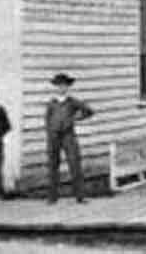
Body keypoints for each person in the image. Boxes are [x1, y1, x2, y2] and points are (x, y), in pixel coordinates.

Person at [45, 73, 93, 204]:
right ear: (56, 87)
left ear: (68, 87)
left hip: (68, 135)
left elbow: (89, 111)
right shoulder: (52, 103)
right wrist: (50, 135)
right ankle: (52, 197)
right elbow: (47, 120)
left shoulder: (72, 102)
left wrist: (76, 118)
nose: (62, 88)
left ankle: (80, 196)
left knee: (74, 163)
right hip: (54, 136)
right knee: (53, 165)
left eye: (64, 85)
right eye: (59, 85)